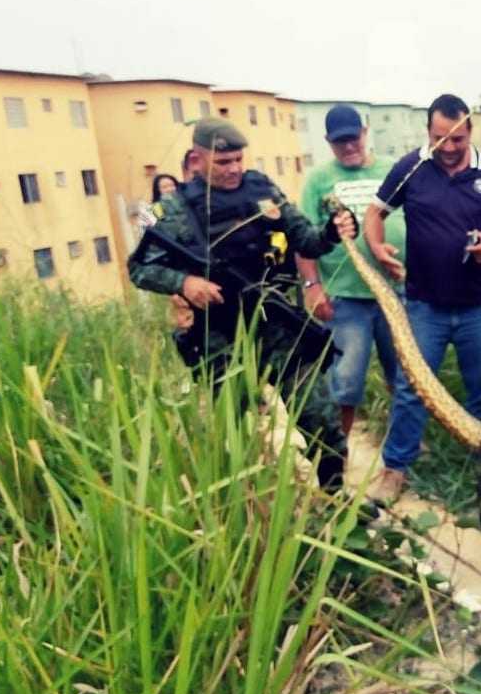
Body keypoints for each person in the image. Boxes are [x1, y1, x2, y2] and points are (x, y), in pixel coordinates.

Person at [128, 118, 357, 489]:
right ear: (198, 159)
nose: (234, 168)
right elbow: (138, 268)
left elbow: (306, 240)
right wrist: (184, 282)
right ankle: (249, 507)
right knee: (233, 431)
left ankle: (335, 496)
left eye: (238, 159)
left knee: (320, 417)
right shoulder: (169, 209)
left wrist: (332, 232)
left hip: (276, 325)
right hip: (220, 336)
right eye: (223, 162)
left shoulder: (262, 189)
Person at [363, 93, 481, 503]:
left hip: (477, 307)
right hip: (424, 307)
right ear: (428, 133)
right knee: (412, 389)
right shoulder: (411, 167)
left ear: (469, 132)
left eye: (457, 140)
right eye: (440, 139)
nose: (448, 149)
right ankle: (395, 469)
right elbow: (375, 212)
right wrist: (378, 248)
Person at [297, 105, 406, 438]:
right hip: (345, 299)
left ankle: (403, 451)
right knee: (345, 384)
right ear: (329, 142)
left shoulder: (393, 170)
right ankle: (337, 455)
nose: (348, 147)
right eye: (339, 141)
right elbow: (302, 238)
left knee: (404, 377)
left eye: (353, 138)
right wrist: (312, 286)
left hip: (396, 293)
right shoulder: (318, 179)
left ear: (365, 132)